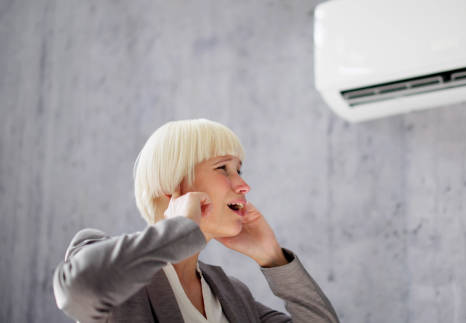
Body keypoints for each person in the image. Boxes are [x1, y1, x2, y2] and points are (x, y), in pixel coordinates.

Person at [52, 119, 339, 322]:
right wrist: (180, 229)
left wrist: (274, 260)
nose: (243, 185)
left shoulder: (232, 294)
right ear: (174, 186)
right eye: (223, 169)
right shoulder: (115, 271)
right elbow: (78, 292)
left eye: (239, 170)